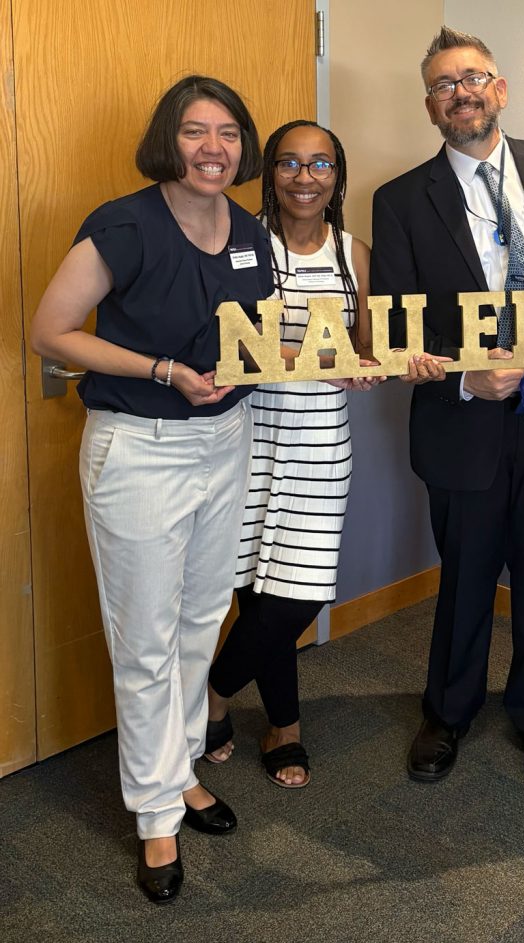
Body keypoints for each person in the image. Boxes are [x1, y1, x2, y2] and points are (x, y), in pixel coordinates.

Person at [30, 76, 271, 904]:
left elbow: (259, 342)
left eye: (229, 132)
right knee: (144, 642)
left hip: (225, 442)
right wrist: (163, 369)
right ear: (168, 140)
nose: (214, 147)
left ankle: (176, 775)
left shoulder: (250, 232)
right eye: (197, 131)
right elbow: (49, 330)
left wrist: (336, 366)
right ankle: (155, 816)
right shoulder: (123, 224)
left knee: (201, 621)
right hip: (141, 450)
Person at [370, 27, 524, 790]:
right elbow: (396, 324)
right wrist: (463, 380)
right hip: (464, 420)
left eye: (473, 78)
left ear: (500, 90)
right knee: (468, 574)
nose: (463, 93)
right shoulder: (402, 199)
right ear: (431, 107)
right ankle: (447, 711)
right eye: (446, 85)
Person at [203, 121, 378, 789]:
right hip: (241, 435)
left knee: (295, 596)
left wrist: (377, 367)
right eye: (289, 163)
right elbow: (217, 339)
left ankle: (212, 695)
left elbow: (369, 348)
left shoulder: (353, 253)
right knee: (254, 592)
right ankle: (285, 724)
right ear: (269, 171)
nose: (305, 177)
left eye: (321, 164)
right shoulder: (237, 242)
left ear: (338, 175)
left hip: (319, 440)